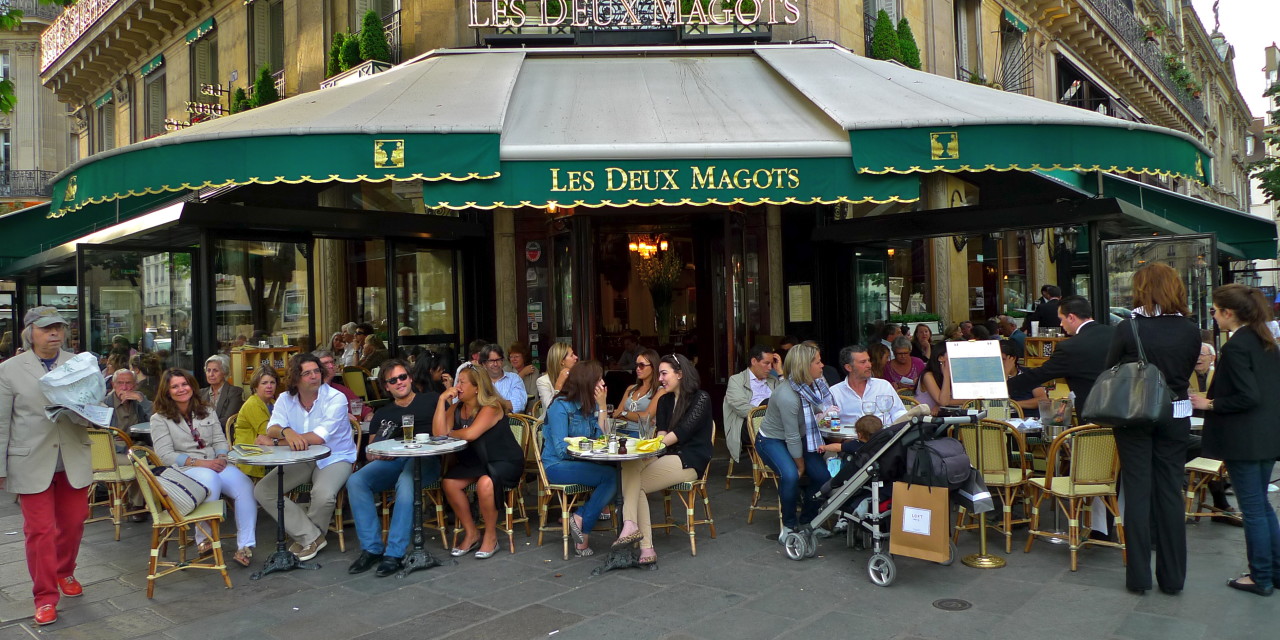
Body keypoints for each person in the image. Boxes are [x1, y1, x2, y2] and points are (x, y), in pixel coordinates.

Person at [1105, 263, 1200, 596]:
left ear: (1141, 288)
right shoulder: (1191, 329)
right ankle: (1173, 578)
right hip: (1175, 414)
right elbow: (1186, 371)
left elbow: (1111, 369)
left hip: (1136, 415)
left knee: (1138, 490)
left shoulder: (1128, 327)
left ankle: (1138, 577)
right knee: (1170, 492)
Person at [0, 307, 92, 626]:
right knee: (39, 531)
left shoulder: (80, 363)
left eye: (59, 327)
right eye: (46, 328)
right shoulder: (10, 369)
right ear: (30, 333)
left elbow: (95, 406)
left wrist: (85, 411)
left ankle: (65, 571)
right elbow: (1, 423)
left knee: (75, 522)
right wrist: (0, 467)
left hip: (72, 457)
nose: (54, 333)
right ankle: (45, 596)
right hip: (29, 461)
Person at [1191, 284, 1280, 596]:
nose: (1213, 316)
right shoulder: (1265, 341)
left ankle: (1261, 577)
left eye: (1215, 311)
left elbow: (1247, 396)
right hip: (1267, 434)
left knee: (1253, 507)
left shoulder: (1237, 346)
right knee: (1262, 506)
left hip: (1244, 437)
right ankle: (1274, 572)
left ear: (1229, 313)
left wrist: (1208, 404)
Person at [251, 353, 358, 562]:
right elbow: (272, 427)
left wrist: (276, 441)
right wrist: (286, 432)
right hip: (301, 457)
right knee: (263, 490)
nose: (314, 376)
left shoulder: (336, 398)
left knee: (323, 495)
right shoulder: (285, 398)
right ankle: (312, 537)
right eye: (307, 373)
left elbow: (318, 438)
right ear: (296, 378)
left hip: (335, 456)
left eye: (316, 371)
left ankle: (306, 537)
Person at [612, 354, 713, 566]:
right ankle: (635, 531)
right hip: (666, 454)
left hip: (690, 459)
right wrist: (650, 449)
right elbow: (662, 432)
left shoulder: (700, 398)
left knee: (634, 482)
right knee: (629, 466)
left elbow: (681, 432)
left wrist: (654, 447)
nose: (660, 379)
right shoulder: (665, 400)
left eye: (664, 373)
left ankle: (641, 539)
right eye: (660, 374)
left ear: (680, 374)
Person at [150, 369, 257, 568]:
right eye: (175, 386)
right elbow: (165, 455)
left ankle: (245, 545)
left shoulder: (206, 409)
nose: (181, 389)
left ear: (191, 385)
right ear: (167, 391)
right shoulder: (159, 418)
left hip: (215, 462)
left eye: (184, 384)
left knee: (245, 486)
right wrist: (201, 463)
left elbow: (219, 439)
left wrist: (222, 456)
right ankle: (204, 538)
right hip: (186, 468)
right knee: (210, 479)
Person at [346, 359, 440, 577]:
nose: (399, 382)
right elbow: (370, 452)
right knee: (356, 481)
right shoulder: (382, 413)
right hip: (393, 461)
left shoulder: (432, 400)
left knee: (407, 482)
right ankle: (372, 549)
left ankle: (394, 554)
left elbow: (446, 431)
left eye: (403, 377)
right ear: (386, 386)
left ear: (410, 378)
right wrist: (378, 453)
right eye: (393, 380)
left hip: (424, 460)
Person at [434, 363, 524, 559]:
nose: (457, 386)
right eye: (458, 381)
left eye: (462, 382)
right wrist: (442, 401)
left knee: (485, 482)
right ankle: (472, 532)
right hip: (477, 462)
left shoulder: (492, 406)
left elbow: (471, 434)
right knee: (449, 483)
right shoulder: (457, 407)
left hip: (504, 460)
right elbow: (438, 434)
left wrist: (449, 434)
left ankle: (490, 537)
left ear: (477, 388)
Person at [755, 343, 835, 542]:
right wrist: (800, 466)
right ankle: (789, 526)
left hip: (801, 436)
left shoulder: (815, 386)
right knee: (790, 475)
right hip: (772, 440)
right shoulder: (788, 396)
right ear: (804, 367)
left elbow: (819, 415)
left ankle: (809, 521)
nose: (822, 365)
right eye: (817, 362)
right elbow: (791, 437)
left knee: (823, 476)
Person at [542, 361, 618, 557]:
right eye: (598, 379)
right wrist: (589, 451)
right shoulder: (559, 407)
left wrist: (602, 407)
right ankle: (582, 524)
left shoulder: (588, 405)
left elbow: (601, 438)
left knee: (618, 472)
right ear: (586, 382)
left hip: (580, 462)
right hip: (557, 466)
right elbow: (561, 450)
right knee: (610, 477)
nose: (602, 383)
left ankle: (581, 519)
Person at [1006, 295, 1114, 408]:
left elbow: (1040, 374)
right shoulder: (1115, 333)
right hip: (1121, 409)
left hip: (1091, 412)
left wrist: (1004, 387)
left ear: (1071, 317)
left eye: (1061, 319)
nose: (1061, 324)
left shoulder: (1069, 347)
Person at [721, 344, 780, 465]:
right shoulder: (736, 380)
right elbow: (741, 407)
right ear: (754, 361)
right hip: (747, 424)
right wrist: (766, 413)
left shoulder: (773, 380)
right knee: (770, 402)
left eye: (772, 364)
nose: (770, 368)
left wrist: (780, 372)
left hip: (774, 424)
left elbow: (788, 400)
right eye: (766, 363)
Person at [830, 345, 906, 428]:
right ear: (849, 367)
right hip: (852, 438)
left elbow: (899, 412)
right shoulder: (835, 392)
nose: (869, 365)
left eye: (868, 360)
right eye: (863, 362)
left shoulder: (883, 386)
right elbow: (828, 423)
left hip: (883, 437)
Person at [232, 363, 279, 478]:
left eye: (272, 382)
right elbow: (268, 431)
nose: (269, 386)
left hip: (269, 453)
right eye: (264, 383)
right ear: (255, 386)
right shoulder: (253, 403)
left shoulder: (273, 403)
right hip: (252, 459)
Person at [315, 350, 373, 422]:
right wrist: (341, 415)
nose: (331, 366)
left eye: (332, 362)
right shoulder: (309, 392)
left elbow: (362, 409)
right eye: (325, 363)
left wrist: (369, 416)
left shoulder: (341, 390)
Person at [614, 348, 666, 425]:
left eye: (642, 365)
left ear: (653, 366)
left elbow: (646, 417)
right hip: (623, 432)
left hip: (643, 435)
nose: (638, 369)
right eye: (637, 365)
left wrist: (624, 413)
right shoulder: (631, 388)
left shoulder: (660, 391)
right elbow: (616, 415)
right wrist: (637, 417)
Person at [999, 340, 1046, 415]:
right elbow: (998, 402)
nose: (999, 363)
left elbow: (1042, 399)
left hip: (1029, 417)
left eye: (1003, 359)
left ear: (1013, 358)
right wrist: (1005, 375)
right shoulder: (994, 377)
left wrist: (1014, 404)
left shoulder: (1027, 374)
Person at [478, 344, 527, 414]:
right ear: (484, 363)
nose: (495, 364)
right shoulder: (478, 380)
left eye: (498, 360)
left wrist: (487, 403)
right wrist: (505, 404)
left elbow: (518, 405)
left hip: (510, 421)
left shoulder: (514, 379)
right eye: (491, 361)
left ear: (502, 361)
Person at [200, 355, 244, 423]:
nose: (211, 374)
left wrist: (206, 427)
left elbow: (227, 420)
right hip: (204, 432)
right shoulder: (201, 393)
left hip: (224, 432)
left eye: (215, 371)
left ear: (224, 373)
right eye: (208, 370)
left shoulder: (235, 392)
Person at [536, 342, 578, 413]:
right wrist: (558, 386)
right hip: (551, 422)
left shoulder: (576, 376)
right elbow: (550, 408)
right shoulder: (543, 381)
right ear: (562, 361)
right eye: (572, 355)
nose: (576, 357)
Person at [917, 350, 953, 415]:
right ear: (941, 358)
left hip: (942, 416)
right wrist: (946, 375)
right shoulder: (927, 376)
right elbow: (944, 402)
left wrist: (939, 405)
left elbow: (967, 398)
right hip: (924, 418)